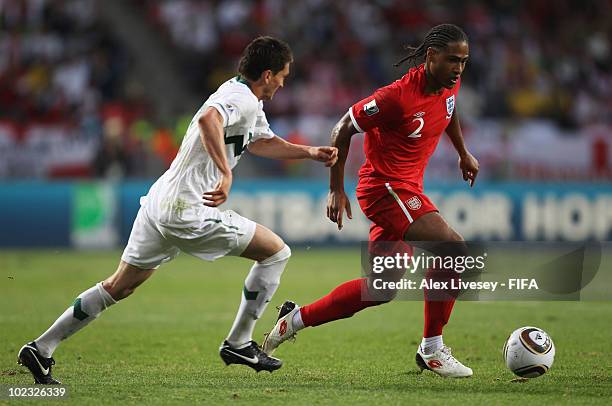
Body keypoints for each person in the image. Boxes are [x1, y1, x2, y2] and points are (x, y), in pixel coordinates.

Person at [17, 36, 338, 384]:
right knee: (276, 252)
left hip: (161, 201)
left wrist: (308, 152)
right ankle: (239, 342)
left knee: (119, 285)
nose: (283, 82)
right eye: (283, 75)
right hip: (188, 208)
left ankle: (41, 347)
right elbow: (208, 122)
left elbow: (261, 142)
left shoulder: (243, 98)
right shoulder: (239, 99)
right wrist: (226, 172)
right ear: (267, 74)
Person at [263, 24, 479, 378]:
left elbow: (449, 108)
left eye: (464, 61)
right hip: (385, 189)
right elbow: (343, 127)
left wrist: (463, 153)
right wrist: (335, 188)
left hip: (408, 189)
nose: (459, 68)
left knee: (380, 289)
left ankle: (294, 319)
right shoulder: (396, 97)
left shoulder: (447, 82)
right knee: (453, 249)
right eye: (453, 60)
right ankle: (433, 348)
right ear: (431, 57)